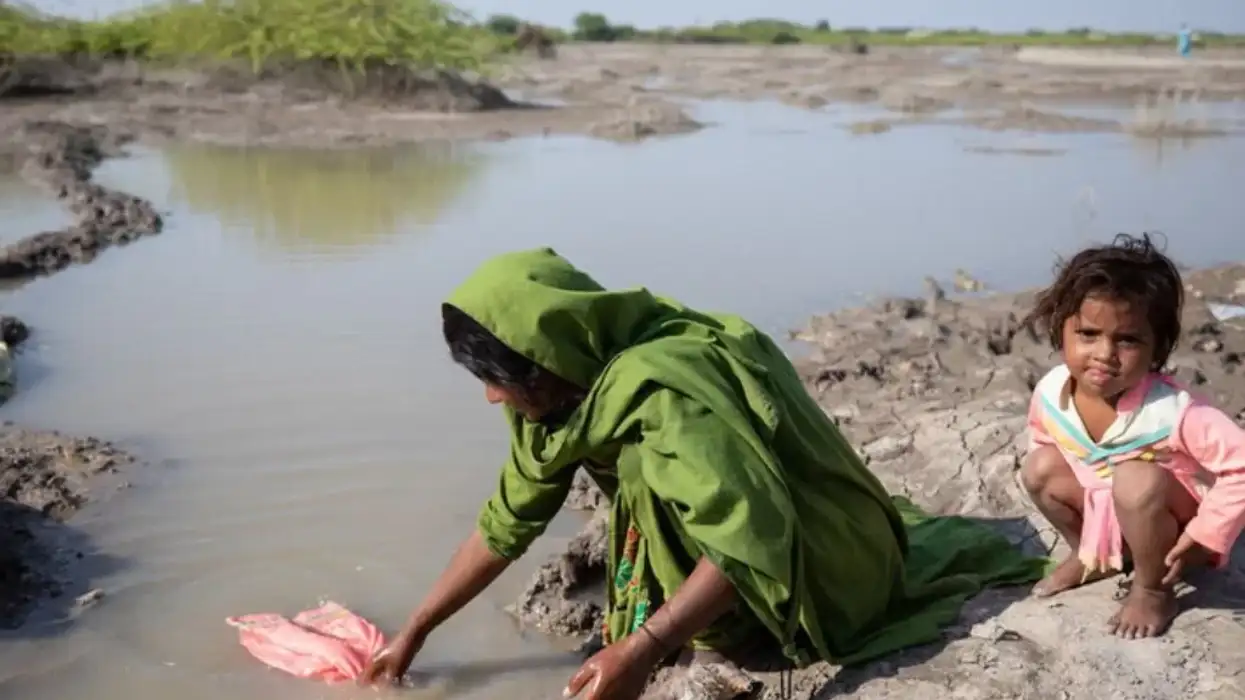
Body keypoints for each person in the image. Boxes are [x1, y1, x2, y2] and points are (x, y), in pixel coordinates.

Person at [362, 248, 1044, 698]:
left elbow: (745, 537)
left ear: (549, 358)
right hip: (742, 527)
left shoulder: (666, 388)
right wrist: (416, 631)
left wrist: (643, 646)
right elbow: (505, 523)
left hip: (809, 559)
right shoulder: (552, 395)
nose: (491, 398)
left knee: (726, 604)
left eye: (500, 381)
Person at [1020, 233, 1245, 639]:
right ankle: (1093, 555)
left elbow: (1240, 466)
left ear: (1157, 349)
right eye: (1088, 334)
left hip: (1170, 526)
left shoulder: (1174, 411)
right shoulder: (1051, 393)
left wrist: (1204, 536)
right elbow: (1042, 441)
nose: (1105, 353)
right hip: (1110, 510)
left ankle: (1153, 587)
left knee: (1134, 477)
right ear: (1061, 331)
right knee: (1039, 468)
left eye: (1127, 339)